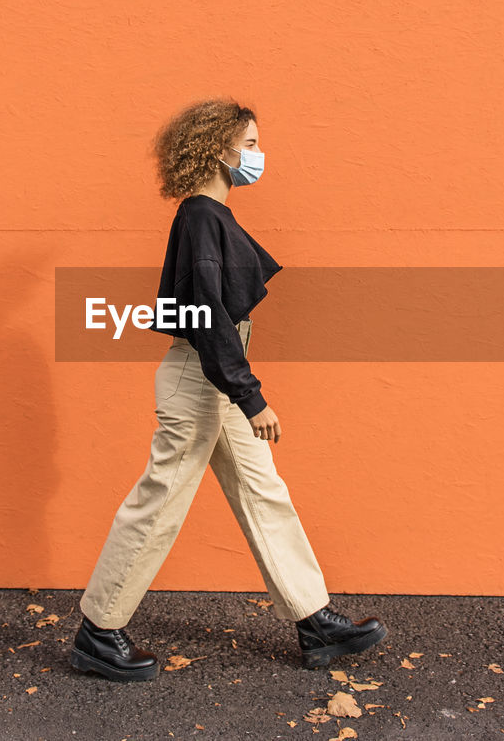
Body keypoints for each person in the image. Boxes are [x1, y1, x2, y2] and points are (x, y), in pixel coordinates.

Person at [69, 98, 388, 682]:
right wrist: (251, 395)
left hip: (217, 370)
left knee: (263, 490)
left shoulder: (213, 215)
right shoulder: (200, 216)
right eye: (248, 144)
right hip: (204, 373)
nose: (256, 156)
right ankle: (98, 630)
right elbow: (205, 315)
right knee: (161, 497)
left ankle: (313, 620)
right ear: (217, 148)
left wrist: (240, 387)